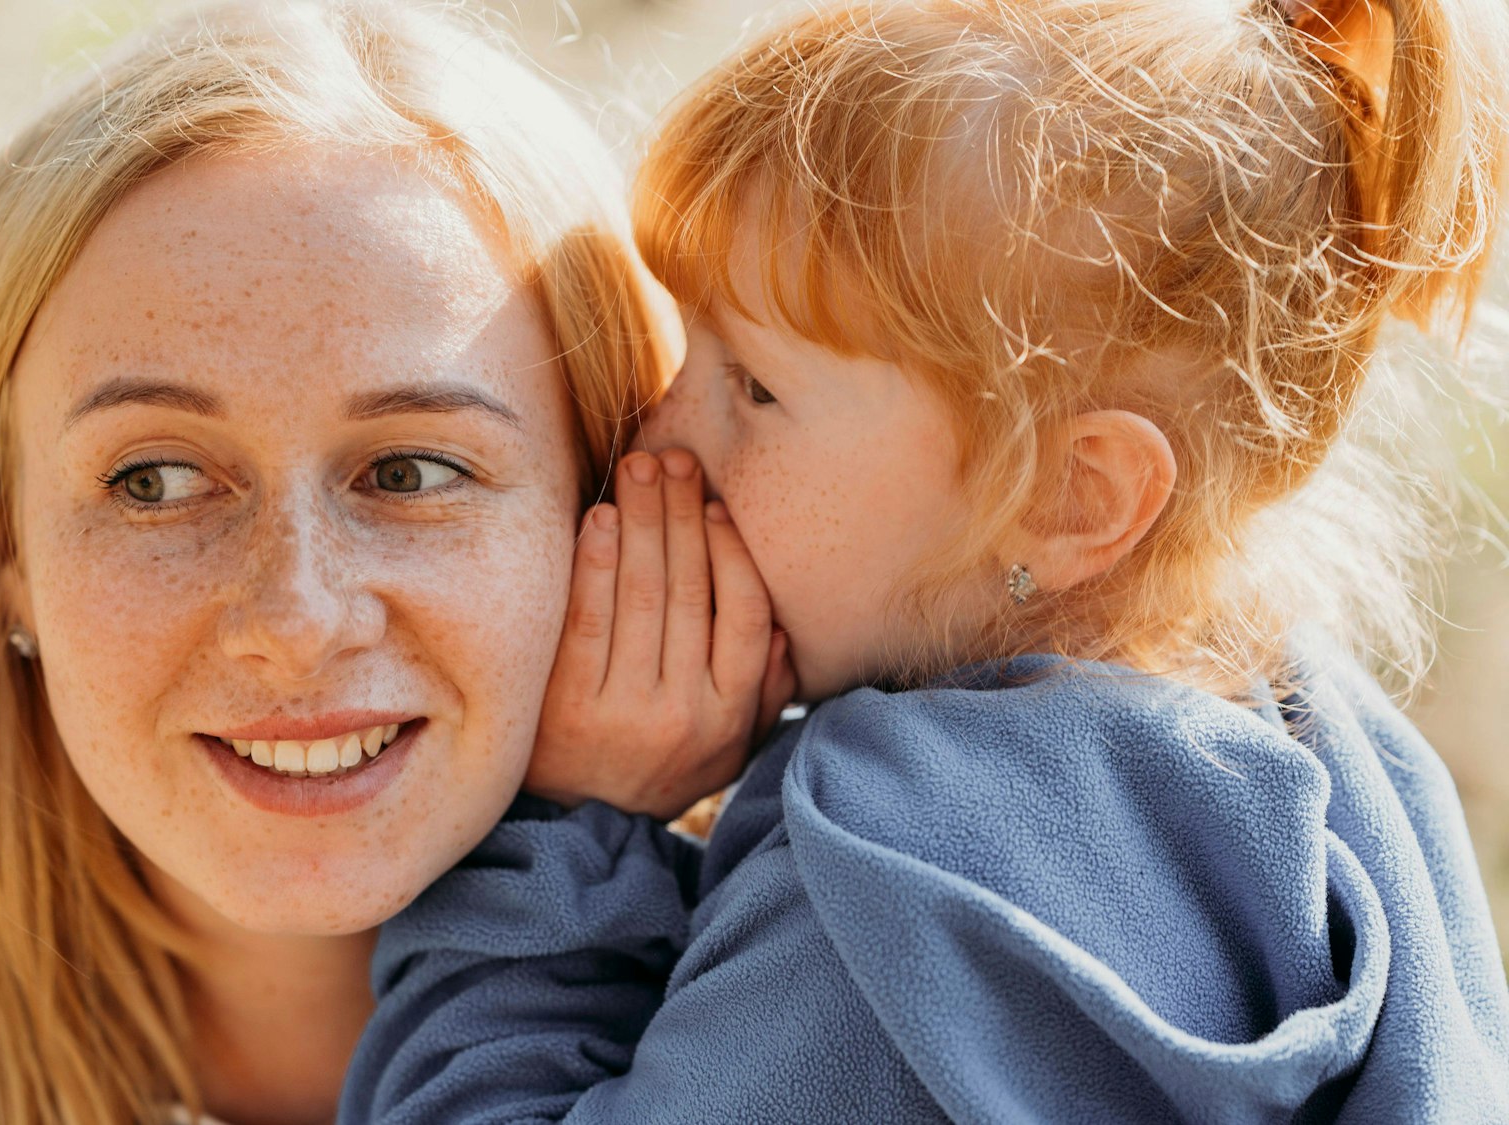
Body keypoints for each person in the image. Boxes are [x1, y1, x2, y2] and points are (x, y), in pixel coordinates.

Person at [342, 0, 1509, 1120]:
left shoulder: (897, 893)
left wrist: (570, 820)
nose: (658, 428)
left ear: (1071, 497)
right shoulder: (1341, 762)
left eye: (752, 386)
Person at [0, 3, 698, 1122]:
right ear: (0, 534)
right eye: (153, 482)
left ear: (609, 501)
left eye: (408, 472)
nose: (297, 617)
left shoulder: (806, 955)